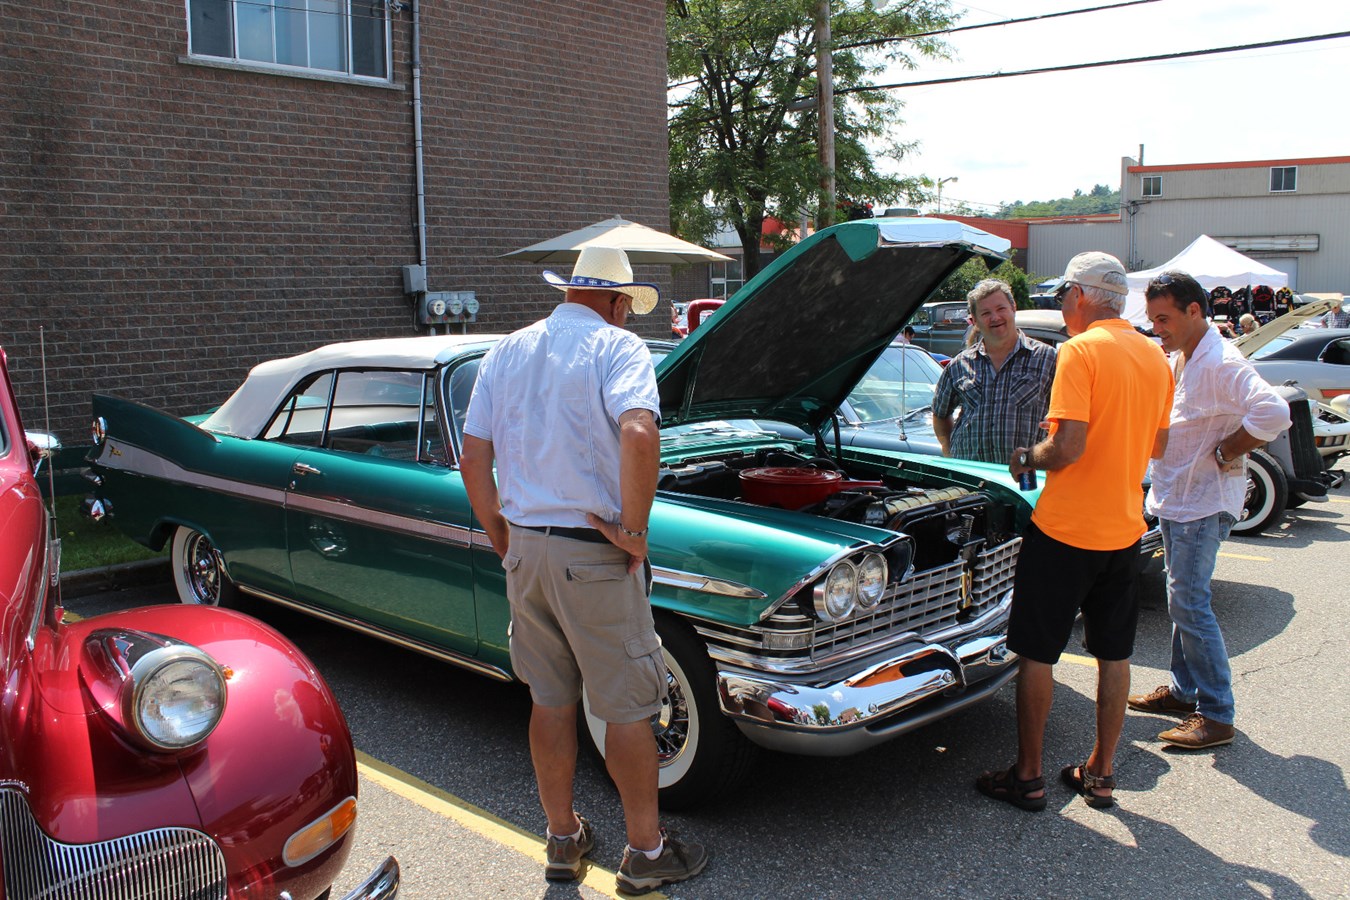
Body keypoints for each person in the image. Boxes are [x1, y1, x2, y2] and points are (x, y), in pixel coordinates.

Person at [460, 245, 708, 892]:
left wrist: (500, 534)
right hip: (592, 553)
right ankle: (647, 853)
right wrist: (633, 531)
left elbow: (473, 453)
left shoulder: (505, 350)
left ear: (571, 290)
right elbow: (638, 433)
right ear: (620, 302)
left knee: (550, 700)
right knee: (626, 708)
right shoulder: (618, 350)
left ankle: (563, 840)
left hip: (527, 550)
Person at [976, 251, 1173, 811]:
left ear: (1083, 296)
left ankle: (1029, 776)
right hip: (1124, 526)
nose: (1062, 303)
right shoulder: (1153, 354)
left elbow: (1067, 448)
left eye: (1065, 293)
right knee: (1115, 654)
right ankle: (1102, 774)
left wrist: (1025, 457)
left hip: (1065, 528)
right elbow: (1158, 445)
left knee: (1037, 653)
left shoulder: (1082, 349)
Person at [1130, 271, 1290, 750]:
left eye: (1164, 318)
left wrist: (1229, 450)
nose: (1157, 327)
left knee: (1190, 603)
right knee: (1182, 600)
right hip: (1180, 499)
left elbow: (1274, 413)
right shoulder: (1186, 356)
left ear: (1194, 311)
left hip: (1201, 503)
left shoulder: (1220, 360)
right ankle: (1184, 692)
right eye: (1153, 318)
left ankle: (1216, 714)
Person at [932, 279, 1057, 464]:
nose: (995, 317)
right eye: (986, 313)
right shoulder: (960, 364)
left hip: (1025, 479)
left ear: (1013, 308)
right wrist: (950, 453)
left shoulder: (1047, 358)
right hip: (972, 478)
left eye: (1001, 309)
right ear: (974, 320)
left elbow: (1069, 421)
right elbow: (940, 413)